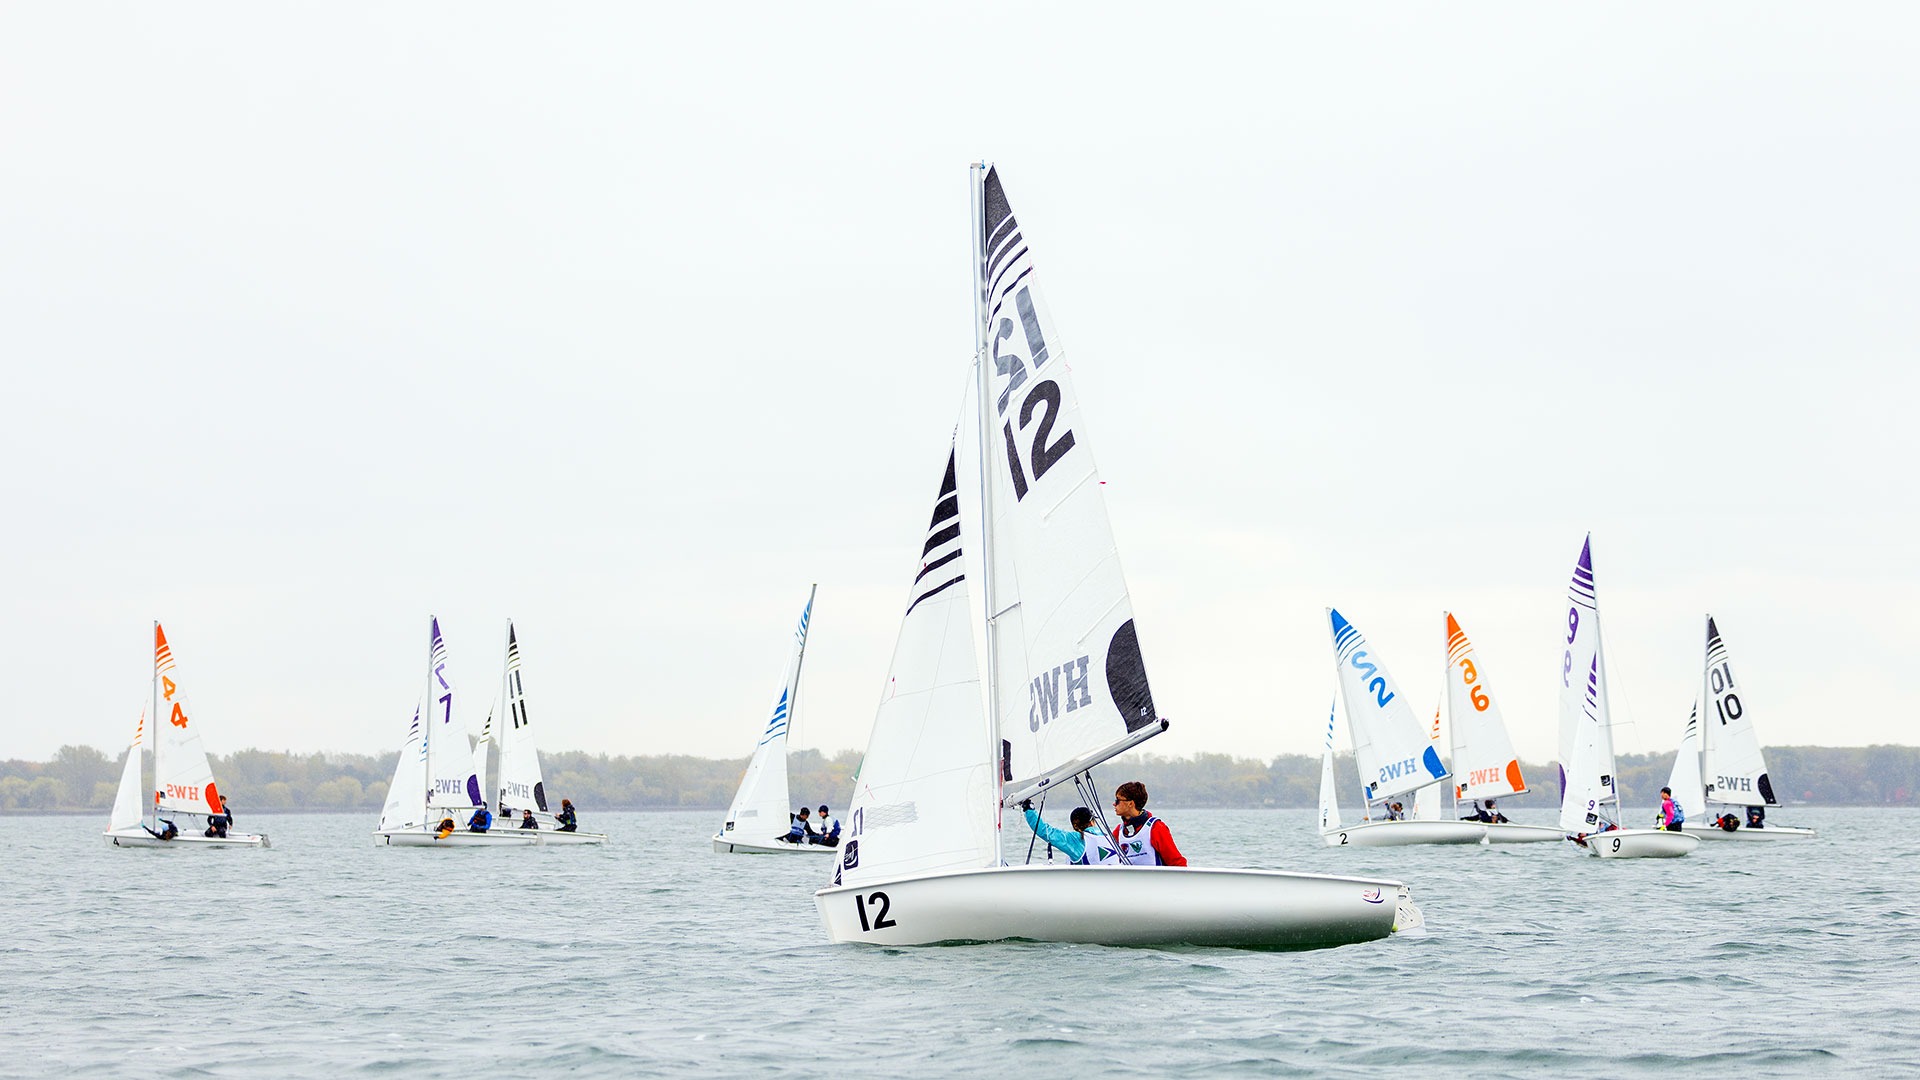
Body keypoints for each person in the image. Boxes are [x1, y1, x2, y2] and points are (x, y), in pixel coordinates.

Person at [1109, 781, 1186, 866]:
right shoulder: (1118, 831)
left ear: (1130, 803)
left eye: (1117, 800)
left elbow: (1176, 862)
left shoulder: (1156, 828)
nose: (1114, 804)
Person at [1021, 801, 1120, 865]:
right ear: (1092, 821)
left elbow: (1045, 831)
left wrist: (1029, 809)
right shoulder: (1110, 837)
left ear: (1074, 825)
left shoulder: (1076, 839)